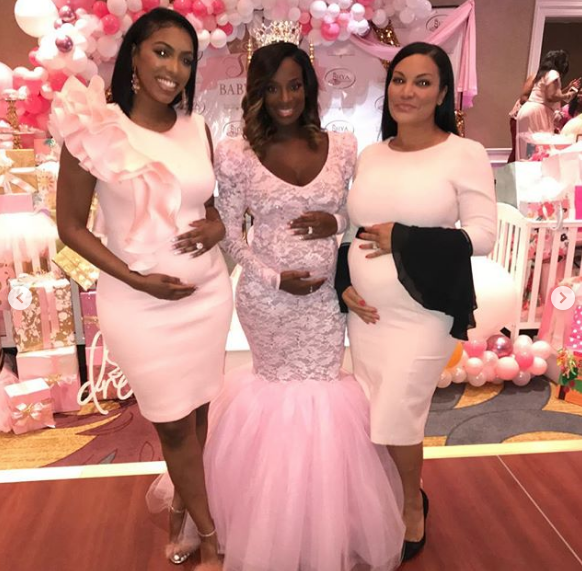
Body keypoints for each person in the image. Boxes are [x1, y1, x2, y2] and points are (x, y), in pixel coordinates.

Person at [202, 40, 404, 570]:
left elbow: (354, 213)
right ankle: (268, 527)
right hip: (267, 301)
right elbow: (229, 234)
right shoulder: (237, 154)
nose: (285, 98)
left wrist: (333, 222)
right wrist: (274, 279)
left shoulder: (343, 146)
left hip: (322, 303)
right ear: (257, 93)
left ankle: (323, 526)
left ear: (309, 88)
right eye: (272, 88)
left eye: (294, 86)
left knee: (324, 398)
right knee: (277, 399)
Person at [50, 8, 232, 570]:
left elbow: (210, 206)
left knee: (198, 413)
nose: (173, 68)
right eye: (162, 51)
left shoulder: (197, 128)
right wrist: (137, 279)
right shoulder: (94, 127)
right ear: (133, 53)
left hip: (208, 295)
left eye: (186, 58)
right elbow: (70, 226)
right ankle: (210, 537)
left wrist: (219, 227)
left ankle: (183, 505)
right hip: (137, 304)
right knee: (172, 422)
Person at [337, 42, 497, 562]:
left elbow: (483, 235)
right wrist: (343, 284)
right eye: (400, 79)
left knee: (398, 413)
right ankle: (384, 497)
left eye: (423, 82)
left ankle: (411, 505)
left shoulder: (464, 153)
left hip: (423, 312)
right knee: (372, 412)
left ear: (443, 93)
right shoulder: (372, 154)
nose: (407, 91)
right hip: (368, 316)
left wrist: (403, 239)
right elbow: (350, 231)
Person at [516, 50, 580, 159]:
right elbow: (551, 96)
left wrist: (567, 91)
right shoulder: (553, 73)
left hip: (528, 110)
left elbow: (550, 95)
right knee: (538, 147)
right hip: (538, 113)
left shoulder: (543, 74)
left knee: (526, 148)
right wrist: (569, 95)